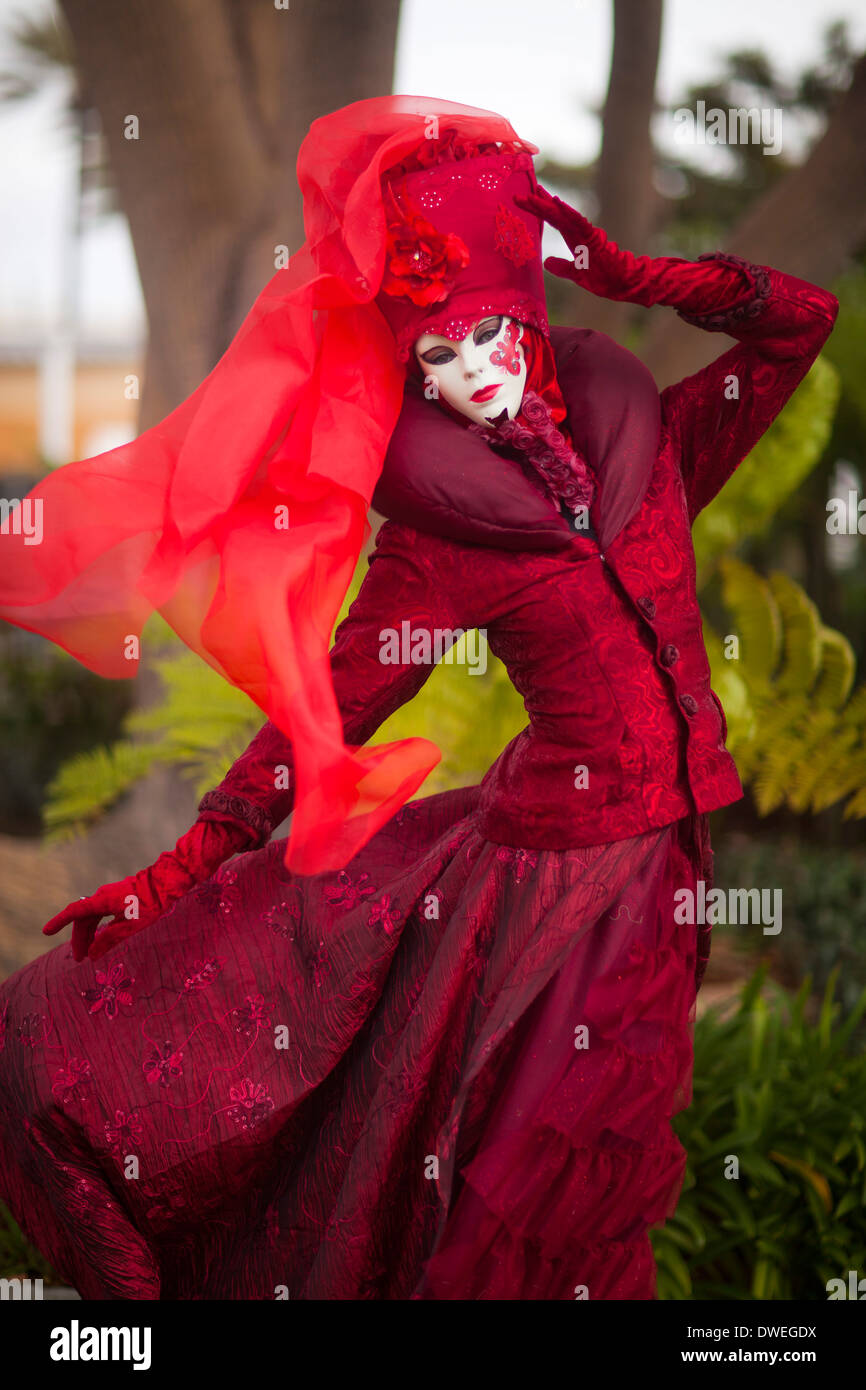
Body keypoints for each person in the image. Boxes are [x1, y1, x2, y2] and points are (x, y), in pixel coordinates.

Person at [0, 96, 838, 1300]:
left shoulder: (646, 445)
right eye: (437, 356)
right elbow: (329, 710)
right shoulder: (443, 538)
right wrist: (195, 857)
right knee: (534, 1186)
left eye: (491, 335)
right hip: (555, 886)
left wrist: (635, 272)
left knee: (589, 1179)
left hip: (661, 863)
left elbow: (795, 330)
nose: (472, 378)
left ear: (532, 317)